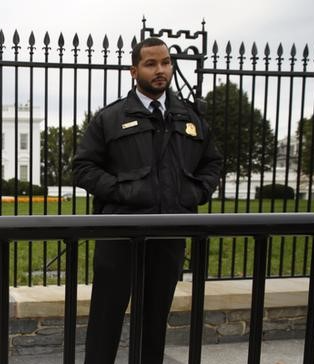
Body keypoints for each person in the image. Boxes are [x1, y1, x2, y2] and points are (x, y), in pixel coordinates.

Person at [72, 37, 222, 363]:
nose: (160, 70)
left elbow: (213, 163)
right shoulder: (110, 119)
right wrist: (123, 192)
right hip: (120, 233)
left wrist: (195, 192)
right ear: (134, 70)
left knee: (154, 321)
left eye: (166, 63)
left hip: (169, 232)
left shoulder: (190, 118)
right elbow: (83, 168)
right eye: (151, 64)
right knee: (106, 319)